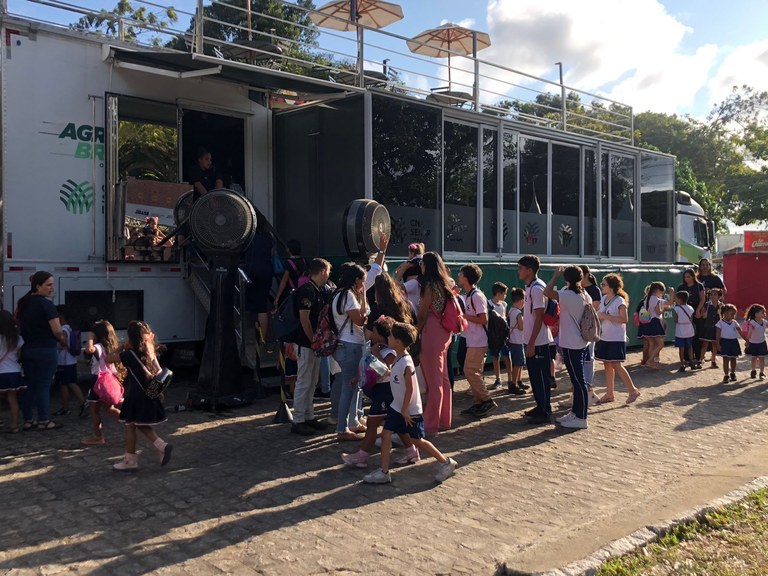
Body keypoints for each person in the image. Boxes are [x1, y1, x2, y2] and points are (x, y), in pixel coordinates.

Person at [363, 322, 458, 484]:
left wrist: (405, 410)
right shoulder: (399, 359)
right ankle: (384, 471)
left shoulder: (406, 362)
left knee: (417, 440)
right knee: (386, 435)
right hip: (397, 407)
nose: (389, 338)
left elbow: (409, 389)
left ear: (398, 342)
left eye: (391, 336)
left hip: (408, 410)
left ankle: (446, 462)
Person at [341, 317, 414, 468]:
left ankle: (362, 456)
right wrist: (359, 378)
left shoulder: (386, 350)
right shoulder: (378, 348)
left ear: (382, 335)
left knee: (372, 422)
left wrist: (377, 354)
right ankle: (411, 450)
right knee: (397, 424)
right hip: (382, 390)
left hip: (386, 391)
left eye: (373, 332)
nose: (371, 334)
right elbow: (371, 370)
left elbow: (389, 368)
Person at [107, 321, 173, 471]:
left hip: (135, 395)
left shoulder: (129, 354)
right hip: (149, 393)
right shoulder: (150, 353)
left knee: (131, 425)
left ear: (131, 337)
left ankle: (131, 461)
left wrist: (123, 346)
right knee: (139, 423)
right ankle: (161, 447)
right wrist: (158, 392)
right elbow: (158, 373)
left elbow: (108, 358)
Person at [16, 271, 67, 431]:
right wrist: (62, 340)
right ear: (38, 286)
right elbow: (57, 330)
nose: (52, 288)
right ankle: (44, 420)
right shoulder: (47, 305)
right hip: (46, 349)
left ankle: (28, 420)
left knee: (30, 385)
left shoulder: (23, 303)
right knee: (44, 385)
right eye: (49, 285)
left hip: (28, 349)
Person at [287, 258, 332, 436]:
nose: (329, 275)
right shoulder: (307, 291)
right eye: (328, 272)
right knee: (304, 382)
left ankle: (309, 415)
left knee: (312, 381)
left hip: (311, 344)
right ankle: (298, 419)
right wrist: (313, 340)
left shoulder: (316, 290)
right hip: (305, 344)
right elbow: (304, 319)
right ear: (322, 271)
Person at [543, 266, 589, 429]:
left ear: (567, 279)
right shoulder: (584, 294)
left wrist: (555, 276)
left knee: (579, 381)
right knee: (577, 381)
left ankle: (582, 417)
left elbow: (547, 292)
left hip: (572, 343)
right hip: (579, 342)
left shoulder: (569, 295)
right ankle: (576, 413)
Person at [415, 252, 454, 435]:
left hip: (431, 331)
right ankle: (444, 419)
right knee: (443, 378)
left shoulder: (429, 285)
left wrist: (415, 331)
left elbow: (422, 313)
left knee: (434, 382)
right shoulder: (445, 283)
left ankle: (431, 424)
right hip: (444, 331)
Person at [332, 263, 369, 441]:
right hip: (351, 345)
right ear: (356, 280)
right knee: (349, 386)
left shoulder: (338, 294)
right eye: (362, 281)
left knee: (352, 386)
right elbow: (360, 320)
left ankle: (350, 423)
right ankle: (342, 428)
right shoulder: (348, 295)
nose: (363, 285)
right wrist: (363, 298)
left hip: (343, 344)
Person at [517, 255, 554, 425]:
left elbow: (539, 316)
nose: (519, 271)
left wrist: (531, 342)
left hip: (538, 341)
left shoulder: (537, 289)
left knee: (541, 377)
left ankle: (545, 410)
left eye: (521, 268)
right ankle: (540, 405)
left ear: (530, 270)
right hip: (532, 340)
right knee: (534, 376)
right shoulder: (530, 287)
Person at [595, 274, 641, 405]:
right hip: (605, 337)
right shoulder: (603, 298)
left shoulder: (619, 301)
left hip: (616, 338)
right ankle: (610, 394)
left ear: (612, 287)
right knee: (607, 364)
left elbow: (624, 319)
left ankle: (633, 390)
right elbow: (600, 315)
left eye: (604, 284)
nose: (601, 286)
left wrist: (605, 316)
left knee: (616, 364)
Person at [458, 264, 497, 418]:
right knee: (474, 371)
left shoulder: (476, 296)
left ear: (466, 277)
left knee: (469, 370)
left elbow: (483, 319)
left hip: (478, 340)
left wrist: (464, 316)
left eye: (461, 274)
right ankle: (479, 402)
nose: (459, 276)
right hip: (473, 339)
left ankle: (487, 399)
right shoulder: (469, 295)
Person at [81, 320, 123, 446]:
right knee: (110, 409)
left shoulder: (98, 347)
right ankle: (131, 422)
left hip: (98, 380)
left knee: (94, 410)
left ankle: (98, 436)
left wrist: (90, 337)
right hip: (109, 379)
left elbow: (89, 349)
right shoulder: (112, 346)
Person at [243, 228, 275, 349]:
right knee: (262, 307)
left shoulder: (249, 236)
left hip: (251, 272)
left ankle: (249, 336)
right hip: (266, 272)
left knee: (247, 305)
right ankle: (263, 339)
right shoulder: (269, 236)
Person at [52, 305, 86, 417]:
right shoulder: (69, 327)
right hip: (70, 360)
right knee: (65, 384)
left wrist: (56, 344)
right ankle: (66, 407)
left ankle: (83, 403)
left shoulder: (63, 329)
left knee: (69, 383)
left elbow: (63, 342)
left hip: (65, 361)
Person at [578, 265, 602, 405]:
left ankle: (588, 384)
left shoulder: (594, 290)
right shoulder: (578, 289)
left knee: (589, 356)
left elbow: (595, 307)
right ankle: (582, 383)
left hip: (589, 329)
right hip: (577, 328)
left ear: (586, 275)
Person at [0, 310, 25, 433]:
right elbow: (19, 356)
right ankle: (14, 425)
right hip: (14, 371)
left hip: (1, 372)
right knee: (13, 399)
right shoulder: (18, 339)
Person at [488, 281, 513, 391]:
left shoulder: (504, 304)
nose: (505, 296)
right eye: (504, 293)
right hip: (494, 336)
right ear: (498, 294)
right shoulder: (489, 304)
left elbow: (505, 317)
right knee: (496, 357)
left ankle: (510, 379)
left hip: (504, 335)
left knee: (508, 356)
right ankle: (498, 379)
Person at [677, 268, 705, 364]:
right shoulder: (681, 287)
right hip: (685, 311)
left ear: (693, 277)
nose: (686, 279)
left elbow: (702, 299)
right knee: (685, 334)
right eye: (685, 277)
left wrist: (698, 310)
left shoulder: (699, 286)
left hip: (696, 310)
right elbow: (678, 300)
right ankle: (687, 357)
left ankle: (698, 355)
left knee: (697, 334)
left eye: (688, 277)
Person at [640, 282, 670, 370]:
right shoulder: (656, 300)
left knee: (651, 343)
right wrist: (672, 293)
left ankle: (651, 362)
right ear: (657, 290)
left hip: (648, 322)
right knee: (660, 344)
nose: (662, 294)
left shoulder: (646, 299)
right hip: (654, 322)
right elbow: (659, 311)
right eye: (661, 292)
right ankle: (650, 361)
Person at [273, 239, 308, 307]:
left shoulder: (288, 263)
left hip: (291, 293)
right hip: (303, 291)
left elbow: (284, 280)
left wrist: (277, 297)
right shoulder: (305, 261)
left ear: (288, 250)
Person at [506, 287, 526, 396]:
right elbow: (522, 327)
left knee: (517, 363)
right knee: (518, 363)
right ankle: (514, 384)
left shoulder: (511, 310)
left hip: (512, 340)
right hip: (517, 341)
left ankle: (518, 382)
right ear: (521, 300)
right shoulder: (518, 313)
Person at [715, 304, 742, 383]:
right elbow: (717, 334)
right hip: (725, 342)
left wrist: (746, 340)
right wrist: (718, 344)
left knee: (733, 359)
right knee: (725, 359)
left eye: (734, 314)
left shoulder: (734, 322)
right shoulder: (720, 323)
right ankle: (726, 375)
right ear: (725, 313)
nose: (733, 316)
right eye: (732, 314)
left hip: (733, 342)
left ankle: (732, 373)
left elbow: (740, 331)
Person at [395, 242, 425, 311]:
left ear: (412, 253)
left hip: (412, 312)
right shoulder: (425, 281)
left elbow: (395, 286)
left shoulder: (413, 283)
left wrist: (402, 269)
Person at [671, 291, 696, 373]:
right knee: (690, 346)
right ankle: (691, 361)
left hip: (680, 329)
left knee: (681, 347)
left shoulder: (676, 309)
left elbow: (675, 320)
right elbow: (692, 319)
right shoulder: (691, 308)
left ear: (679, 299)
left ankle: (682, 364)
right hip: (689, 328)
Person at [698, 288, 723, 368]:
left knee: (714, 344)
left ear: (719, 296)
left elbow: (723, 316)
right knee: (705, 344)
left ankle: (713, 360)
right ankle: (701, 359)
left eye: (715, 294)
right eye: (711, 294)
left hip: (716, 328)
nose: (713, 296)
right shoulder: (707, 304)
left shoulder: (721, 306)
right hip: (708, 327)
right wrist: (702, 313)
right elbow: (702, 314)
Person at [744, 304, 767, 379]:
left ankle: (761, 372)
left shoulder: (765, 322)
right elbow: (749, 333)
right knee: (753, 358)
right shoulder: (752, 323)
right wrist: (747, 341)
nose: (764, 314)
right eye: (762, 312)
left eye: (764, 312)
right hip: (753, 343)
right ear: (756, 314)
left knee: (761, 359)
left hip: (762, 343)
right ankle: (753, 371)